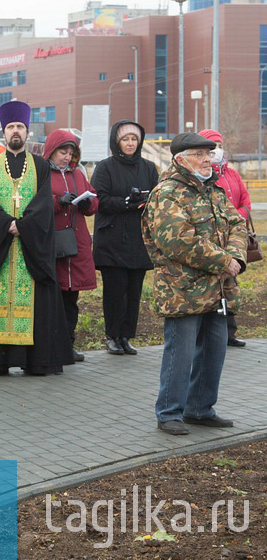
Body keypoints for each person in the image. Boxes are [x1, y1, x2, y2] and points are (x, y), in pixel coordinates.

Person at [142, 133, 246, 435]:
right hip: (182, 289)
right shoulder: (168, 193)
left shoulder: (212, 190)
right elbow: (178, 241)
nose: (206, 160)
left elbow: (236, 223)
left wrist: (236, 256)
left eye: (208, 154)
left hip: (217, 288)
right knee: (181, 352)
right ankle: (169, 412)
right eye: (199, 154)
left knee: (215, 349)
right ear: (180, 159)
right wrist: (222, 261)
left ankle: (200, 408)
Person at [0, 101, 73, 376]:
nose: (16, 132)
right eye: (11, 127)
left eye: (20, 127)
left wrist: (23, 226)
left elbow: (44, 205)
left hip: (30, 247)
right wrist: (6, 225)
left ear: (27, 132)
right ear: (3, 131)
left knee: (35, 300)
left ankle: (35, 360)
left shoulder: (40, 166)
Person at [91, 120, 158, 356]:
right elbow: (98, 200)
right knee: (115, 291)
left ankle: (127, 336)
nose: (130, 143)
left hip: (138, 240)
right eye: (125, 139)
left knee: (133, 292)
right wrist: (127, 203)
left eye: (134, 139)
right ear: (116, 142)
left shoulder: (149, 167)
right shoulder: (105, 167)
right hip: (112, 239)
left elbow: (156, 197)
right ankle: (112, 336)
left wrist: (145, 201)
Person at [43, 130, 99, 362]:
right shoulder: (43, 174)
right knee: (51, 298)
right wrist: (57, 202)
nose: (66, 157)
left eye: (70, 153)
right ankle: (50, 345)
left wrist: (88, 201)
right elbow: (36, 203)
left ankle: (68, 343)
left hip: (76, 245)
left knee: (71, 300)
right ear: (51, 151)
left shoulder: (78, 174)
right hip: (53, 245)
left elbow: (94, 201)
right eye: (62, 152)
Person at [201, 128, 252, 348]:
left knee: (231, 283)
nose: (218, 151)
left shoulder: (232, 173)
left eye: (220, 146)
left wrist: (236, 217)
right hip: (213, 240)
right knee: (215, 285)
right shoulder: (203, 175)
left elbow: (246, 201)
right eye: (213, 147)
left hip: (235, 238)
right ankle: (211, 333)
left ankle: (229, 332)